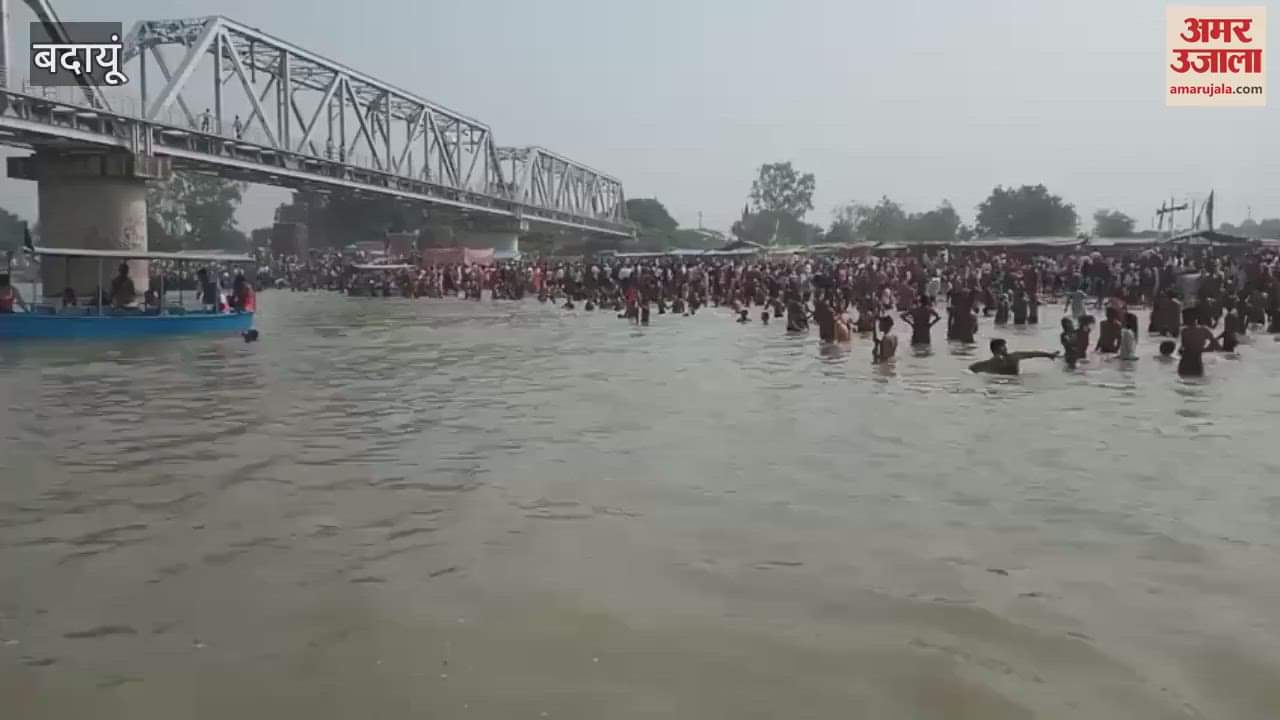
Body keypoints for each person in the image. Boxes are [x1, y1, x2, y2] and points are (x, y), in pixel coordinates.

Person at [969, 338, 1059, 375]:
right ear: (998, 348)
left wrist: (1049, 355)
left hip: (1000, 384)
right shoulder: (1014, 357)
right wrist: (1049, 355)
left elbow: (970, 369)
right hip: (1015, 385)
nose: (1006, 348)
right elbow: (1033, 354)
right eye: (1004, 346)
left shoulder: (986, 364)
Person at [1178, 310, 1215, 377]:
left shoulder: (1184, 331)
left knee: (1183, 380)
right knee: (1198, 380)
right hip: (1196, 362)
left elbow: (1182, 347)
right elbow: (1215, 344)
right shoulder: (1204, 330)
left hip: (1184, 362)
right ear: (1196, 319)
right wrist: (1203, 350)